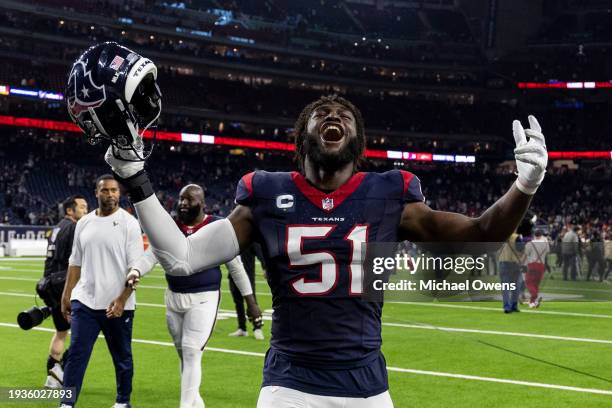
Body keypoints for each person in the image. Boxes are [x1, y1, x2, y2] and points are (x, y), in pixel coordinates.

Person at [69, 44, 548, 407]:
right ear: (302, 137)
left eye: (344, 115)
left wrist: (524, 185)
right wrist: (134, 177)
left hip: (365, 386)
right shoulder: (264, 192)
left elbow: (478, 237)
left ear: (358, 141)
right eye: (322, 113)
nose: (333, 115)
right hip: (289, 386)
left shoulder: (390, 194)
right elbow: (184, 258)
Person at [126, 184, 262, 408]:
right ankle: (195, 402)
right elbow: (153, 254)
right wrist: (136, 270)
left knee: (191, 351)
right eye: (181, 199)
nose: (183, 203)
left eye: (189, 199)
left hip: (204, 297)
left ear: (203, 203)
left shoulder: (217, 226)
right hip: (173, 297)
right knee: (185, 355)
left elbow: (236, 267)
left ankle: (185, 405)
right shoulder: (171, 227)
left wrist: (251, 301)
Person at [59, 175, 144, 408]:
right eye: (105, 191)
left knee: (122, 358)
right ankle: (67, 403)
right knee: (76, 354)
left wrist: (122, 298)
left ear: (120, 193)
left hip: (117, 304)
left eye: (114, 190)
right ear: (96, 193)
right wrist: (67, 294)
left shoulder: (130, 223)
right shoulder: (84, 223)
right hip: (84, 301)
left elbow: (136, 268)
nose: (110, 195)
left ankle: (122, 401)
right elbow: (75, 262)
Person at [42, 195, 89, 389]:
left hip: (50, 282)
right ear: (70, 210)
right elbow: (74, 261)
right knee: (83, 333)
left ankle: (52, 377)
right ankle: (59, 371)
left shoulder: (57, 227)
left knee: (61, 332)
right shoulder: (74, 228)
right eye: (82, 207)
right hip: (65, 286)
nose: (86, 210)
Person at [229, 243, 265, 340]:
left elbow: (260, 253)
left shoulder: (249, 240)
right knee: (238, 302)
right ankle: (242, 328)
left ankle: (257, 328)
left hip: (248, 276)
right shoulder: (232, 240)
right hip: (232, 276)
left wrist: (264, 267)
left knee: (252, 302)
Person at [522, 229, 550, 308]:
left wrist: (522, 264)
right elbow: (547, 252)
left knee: (529, 282)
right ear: (541, 235)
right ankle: (533, 302)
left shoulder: (529, 244)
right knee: (536, 284)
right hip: (541, 265)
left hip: (532, 264)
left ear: (534, 235)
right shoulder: (545, 244)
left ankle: (534, 296)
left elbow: (525, 255)